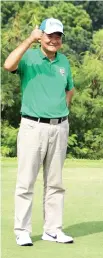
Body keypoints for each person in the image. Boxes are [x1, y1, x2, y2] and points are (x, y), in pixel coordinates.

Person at [4, 18, 75, 246]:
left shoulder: (64, 61)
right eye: (50, 35)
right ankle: (22, 230)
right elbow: (8, 65)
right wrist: (29, 39)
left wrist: (61, 110)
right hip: (32, 126)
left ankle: (53, 230)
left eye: (58, 36)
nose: (54, 40)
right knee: (26, 181)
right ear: (41, 36)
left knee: (55, 183)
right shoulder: (30, 57)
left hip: (59, 127)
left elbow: (69, 89)